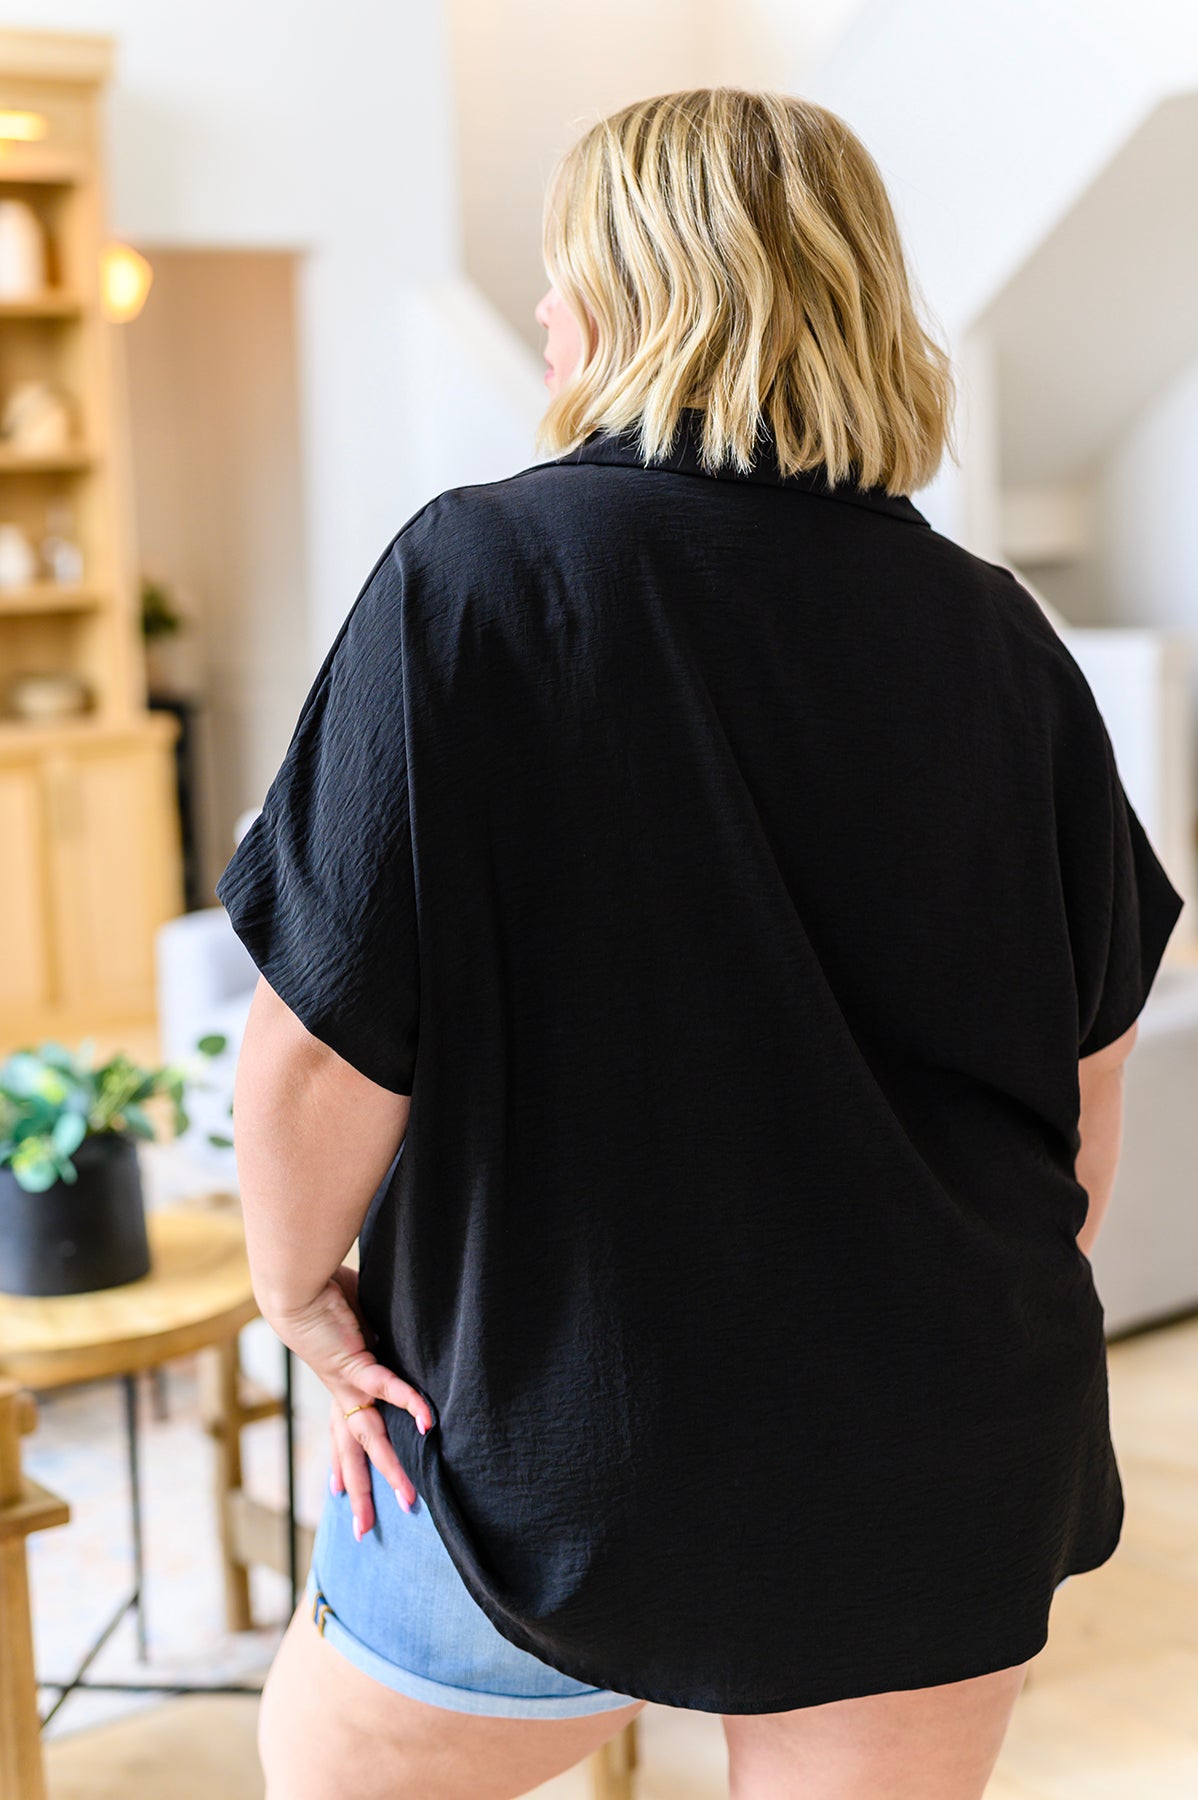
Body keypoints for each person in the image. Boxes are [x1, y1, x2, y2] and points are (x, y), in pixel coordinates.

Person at [215, 87, 1185, 1800]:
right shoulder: (994, 636)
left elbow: (314, 1047)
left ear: (635, 294)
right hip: (937, 1452)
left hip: (558, 1454)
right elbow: (1082, 1094)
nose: (537, 311)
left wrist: (297, 1294)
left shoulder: (473, 580)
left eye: (562, 271)